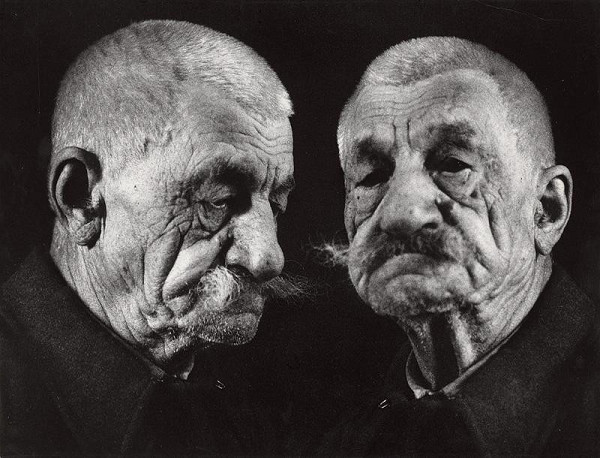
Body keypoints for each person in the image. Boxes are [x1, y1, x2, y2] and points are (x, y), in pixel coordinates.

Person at [0, 20, 298, 455]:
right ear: (79, 199)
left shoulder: (241, 416)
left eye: (276, 204)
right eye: (217, 200)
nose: (269, 257)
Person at [317, 36, 600, 455]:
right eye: (372, 176)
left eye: (453, 165)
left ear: (546, 210)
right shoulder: (344, 440)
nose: (400, 213)